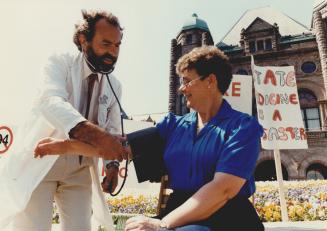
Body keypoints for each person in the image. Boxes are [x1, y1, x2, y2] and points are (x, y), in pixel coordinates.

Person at [34, 46, 265, 231]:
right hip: (178, 213)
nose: (181, 89)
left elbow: (222, 190)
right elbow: (119, 147)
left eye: (187, 80)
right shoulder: (174, 125)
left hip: (227, 218)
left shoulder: (243, 128)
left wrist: (161, 224)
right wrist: (65, 147)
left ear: (211, 81)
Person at [0, 10, 127, 231]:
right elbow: (50, 101)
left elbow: (113, 128)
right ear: (83, 40)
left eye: (117, 46)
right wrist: (97, 136)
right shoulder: (59, 62)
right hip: (42, 159)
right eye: (105, 44)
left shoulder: (115, 85)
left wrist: (113, 166)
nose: (112, 52)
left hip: (81, 169)